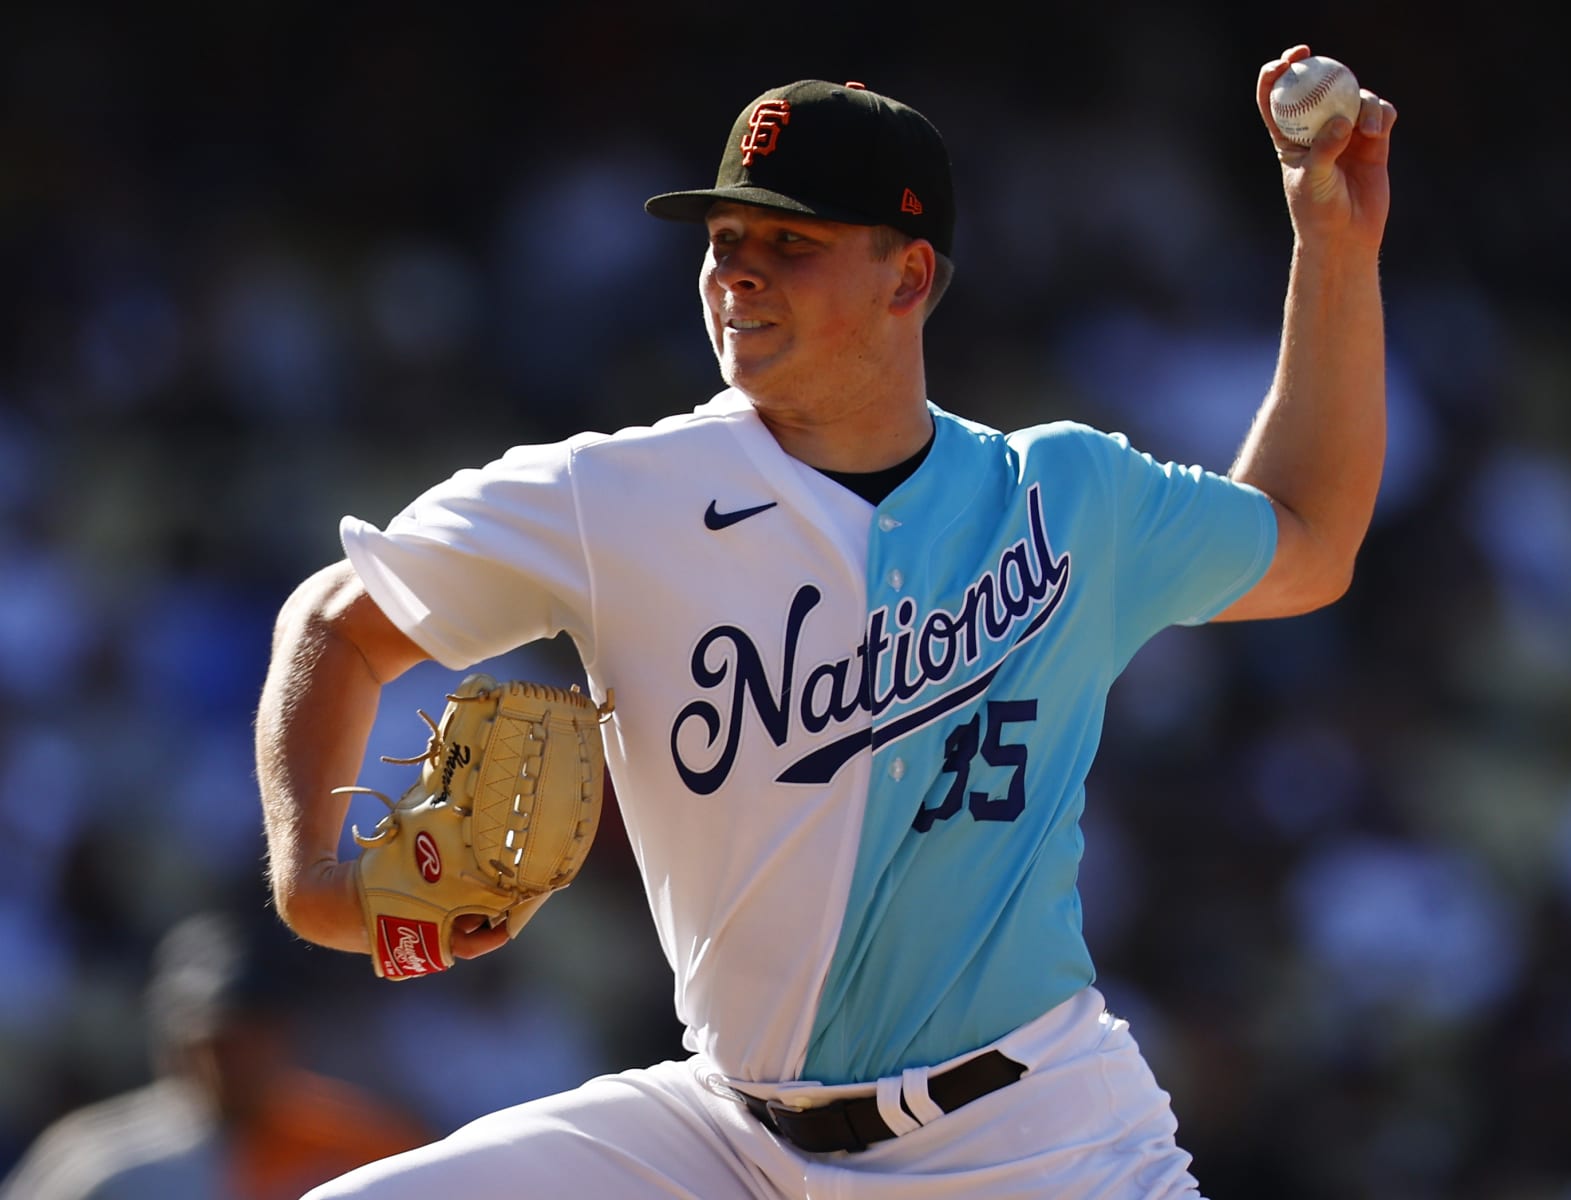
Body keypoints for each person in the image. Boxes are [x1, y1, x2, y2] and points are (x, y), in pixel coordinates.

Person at [255, 46, 1396, 1198]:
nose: (738, 275)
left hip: (1036, 1140)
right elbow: (339, 625)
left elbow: (1307, 537)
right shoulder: (615, 499)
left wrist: (1334, 246)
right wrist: (310, 874)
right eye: (724, 244)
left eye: (789, 246)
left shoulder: (1065, 501)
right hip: (726, 1134)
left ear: (906, 279)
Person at [0, 911, 431, 1200]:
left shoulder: (366, 1143)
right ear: (176, 1043)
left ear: (286, 1034)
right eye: (217, 1040)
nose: (234, 1060)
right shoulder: (103, 1161)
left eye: (253, 1035)